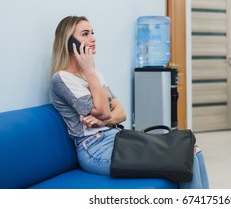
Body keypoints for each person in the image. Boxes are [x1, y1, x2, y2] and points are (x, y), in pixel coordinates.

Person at [50, 15, 209, 188]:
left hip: (117, 137)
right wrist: (90, 71)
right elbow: (104, 110)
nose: (93, 38)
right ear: (69, 42)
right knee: (184, 158)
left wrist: (104, 120)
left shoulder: (95, 76)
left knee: (193, 152)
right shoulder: (62, 79)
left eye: (92, 33)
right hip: (94, 149)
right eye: (85, 34)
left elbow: (121, 112)